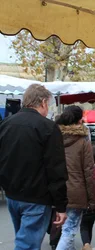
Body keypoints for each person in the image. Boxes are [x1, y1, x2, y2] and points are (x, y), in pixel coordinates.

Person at [0, 84, 68, 249]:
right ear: (43, 102)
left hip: (12, 194)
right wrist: (61, 205)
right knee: (27, 244)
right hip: (36, 197)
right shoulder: (48, 127)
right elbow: (56, 170)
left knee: (23, 239)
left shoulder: (6, 124)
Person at [56, 106, 95, 250]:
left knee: (64, 228)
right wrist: (92, 200)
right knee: (69, 230)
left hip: (55, 189)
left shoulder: (53, 136)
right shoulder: (82, 140)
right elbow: (89, 171)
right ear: (80, 120)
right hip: (76, 191)